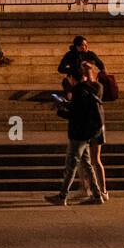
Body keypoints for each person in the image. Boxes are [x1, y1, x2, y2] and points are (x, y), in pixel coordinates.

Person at [46, 60, 106, 206]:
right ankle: (97, 195)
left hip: (78, 133)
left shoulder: (78, 91)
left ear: (72, 78)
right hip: (87, 133)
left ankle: (62, 196)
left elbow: (75, 114)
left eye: (69, 78)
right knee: (86, 164)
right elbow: (81, 109)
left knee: (71, 165)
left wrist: (60, 110)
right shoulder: (90, 88)